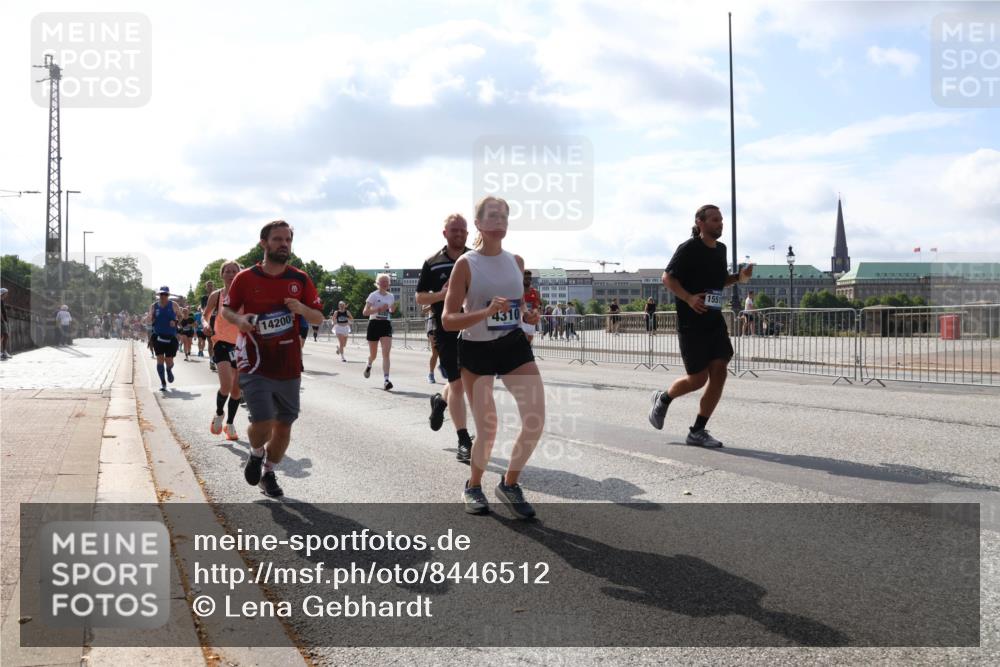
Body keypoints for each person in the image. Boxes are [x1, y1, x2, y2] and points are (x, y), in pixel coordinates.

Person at [443, 196, 544, 519]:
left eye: (504, 215)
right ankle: (473, 485)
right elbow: (448, 319)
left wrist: (527, 315)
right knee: (488, 427)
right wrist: (486, 312)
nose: (500, 220)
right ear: (478, 224)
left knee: (535, 419)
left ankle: (509, 483)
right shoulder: (466, 264)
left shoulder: (516, 261)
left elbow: (518, 304)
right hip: (476, 348)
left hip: (512, 344)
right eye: (493, 215)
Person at [222, 220, 323, 498]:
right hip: (254, 361)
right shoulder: (246, 278)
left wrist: (301, 308)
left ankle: (268, 472)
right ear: (263, 243)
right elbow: (227, 310)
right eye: (278, 239)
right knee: (264, 421)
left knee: (284, 425)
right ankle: (256, 453)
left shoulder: (300, 279)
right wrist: (240, 320)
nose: (284, 244)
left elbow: (318, 317)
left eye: (288, 240)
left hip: (288, 364)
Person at [648, 204, 753, 448]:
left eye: (721, 219)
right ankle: (663, 399)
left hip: (714, 321)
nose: (720, 223)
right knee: (698, 379)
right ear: (700, 223)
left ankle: (697, 430)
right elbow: (667, 277)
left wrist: (739, 277)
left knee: (720, 372)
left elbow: (719, 281)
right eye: (715, 219)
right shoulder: (689, 248)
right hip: (691, 323)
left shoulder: (721, 250)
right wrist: (689, 298)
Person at [415, 213, 475, 461]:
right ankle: (463, 440)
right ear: (445, 233)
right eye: (454, 230)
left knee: (466, 382)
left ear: (468, 233)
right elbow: (420, 297)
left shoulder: (476, 259)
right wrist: (441, 295)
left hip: (474, 329)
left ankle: (440, 401)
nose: (459, 234)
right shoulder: (433, 262)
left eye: (462, 230)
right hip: (446, 329)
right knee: (458, 384)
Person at [202, 261, 243, 441]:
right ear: (222, 275)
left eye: (234, 271)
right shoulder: (216, 295)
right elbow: (205, 315)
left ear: (239, 274)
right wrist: (205, 325)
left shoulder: (245, 295)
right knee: (226, 385)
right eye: (227, 271)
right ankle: (219, 414)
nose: (231, 274)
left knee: (237, 391)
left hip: (241, 345)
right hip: (221, 342)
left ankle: (230, 424)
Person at [363, 273, 395, 390]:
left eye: (386, 282)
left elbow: (391, 310)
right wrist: (378, 309)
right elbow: (365, 312)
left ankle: (386, 380)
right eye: (382, 282)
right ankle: (369, 364)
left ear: (389, 284)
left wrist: (391, 309)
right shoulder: (373, 295)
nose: (385, 284)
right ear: (378, 284)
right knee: (374, 355)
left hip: (385, 324)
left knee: (386, 354)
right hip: (374, 324)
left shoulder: (391, 296)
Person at [147, 288, 179, 391]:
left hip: (171, 337)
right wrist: (148, 318)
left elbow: (181, 316)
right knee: (160, 360)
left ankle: (169, 369)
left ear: (168, 295)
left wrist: (175, 321)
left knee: (169, 361)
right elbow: (150, 318)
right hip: (158, 337)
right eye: (161, 294)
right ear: (159, 295)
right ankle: (163, 383)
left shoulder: (173, 305)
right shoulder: (154, 306)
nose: (163, 296)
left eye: (165, 294)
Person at [521, 271, 542, 344]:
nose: (528, 280)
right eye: (526, 278)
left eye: (530, 279)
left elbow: (540, 305)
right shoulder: (518, 291)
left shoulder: (536, 292)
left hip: (531, 321)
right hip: (520, 321)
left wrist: (538, 311)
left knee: (529, 340)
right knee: (523, 340)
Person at [424, 305, 439, 383]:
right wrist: (433, 304)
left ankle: (444, 365)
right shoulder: (430, 297)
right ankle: (431, 374)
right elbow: (424, 310)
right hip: (433, 326)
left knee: (446, 351)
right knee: (435, 352)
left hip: (445, 325)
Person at [0, 288, 11, 360]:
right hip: (1, 321)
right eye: (6, 293)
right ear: (3, 293)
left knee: (5, 335)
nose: (7, 295)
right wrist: (2, 320)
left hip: (3, 321)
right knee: (2, 335)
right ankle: (3, 352)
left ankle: (4, 351)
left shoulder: (1, 301)